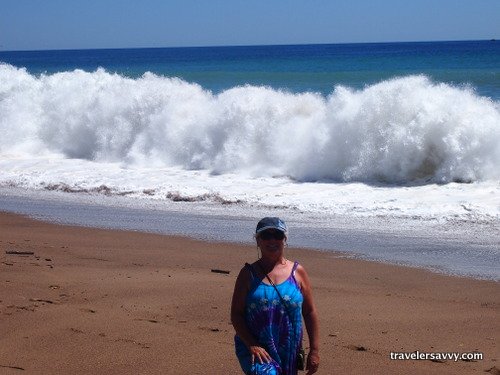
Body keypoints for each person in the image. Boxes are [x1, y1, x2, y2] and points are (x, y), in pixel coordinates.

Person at [231, 217, 320, 375]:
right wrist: (251, 344)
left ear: (285, 239)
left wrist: (314, 350)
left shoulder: (298, 272)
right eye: (266, 235)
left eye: (277, 235)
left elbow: (309, 312)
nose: (272, 240)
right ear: (258, 240)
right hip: (257, 349)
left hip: (288, 347)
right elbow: (236, 314)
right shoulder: (247, 274)